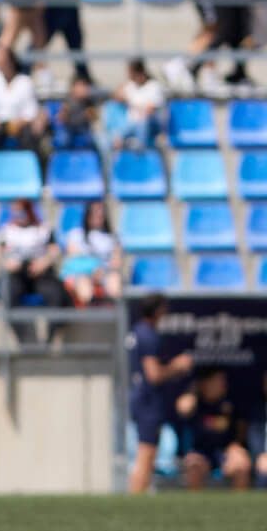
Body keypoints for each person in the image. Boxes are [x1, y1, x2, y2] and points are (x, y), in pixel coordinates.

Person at [127, 294, 191, 494]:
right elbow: (154, 375)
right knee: (146, 452)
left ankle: (139, 494)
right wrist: (177, 366)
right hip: (147, 401)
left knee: (147, 452)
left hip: (141, 398)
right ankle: (135, 499)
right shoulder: (147, 335)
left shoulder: (138, 331)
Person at [174, 368, 252, 490]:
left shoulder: (229, 404)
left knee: (241, 465)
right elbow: (183, 408)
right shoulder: (195, 403)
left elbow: (241, 431)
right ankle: (194, 507)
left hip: (224, 451)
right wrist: (194, 390)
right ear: (205, 383)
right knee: (194, 466)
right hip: (200, 451)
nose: (223, 384)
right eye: (218, 381)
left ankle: (239, 507)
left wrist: (236, 446)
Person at [0, 198, 67, 307]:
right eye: (16, 212)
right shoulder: (6, 230)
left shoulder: (42, 229)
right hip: (17, 272)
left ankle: (53, 323)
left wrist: (45, 262)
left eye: (22, 211)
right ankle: (20, 323)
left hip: (40, 271)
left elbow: (55, 250)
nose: (18, 215)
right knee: (9, 290)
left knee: (55, 292)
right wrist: (7, 262)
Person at [62, 199, 120, 307]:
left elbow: (116, 263)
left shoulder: (112, 238)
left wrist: (101, 272)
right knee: (84, 283)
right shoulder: (76, 235)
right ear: (88, 214)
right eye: (95, 213)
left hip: (104, 273)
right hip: (81, 274)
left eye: (101, 213)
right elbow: (73, 260)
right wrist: (91, 270)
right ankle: (91, 311)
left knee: (114, 279)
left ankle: (114, 313)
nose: (98, 216)